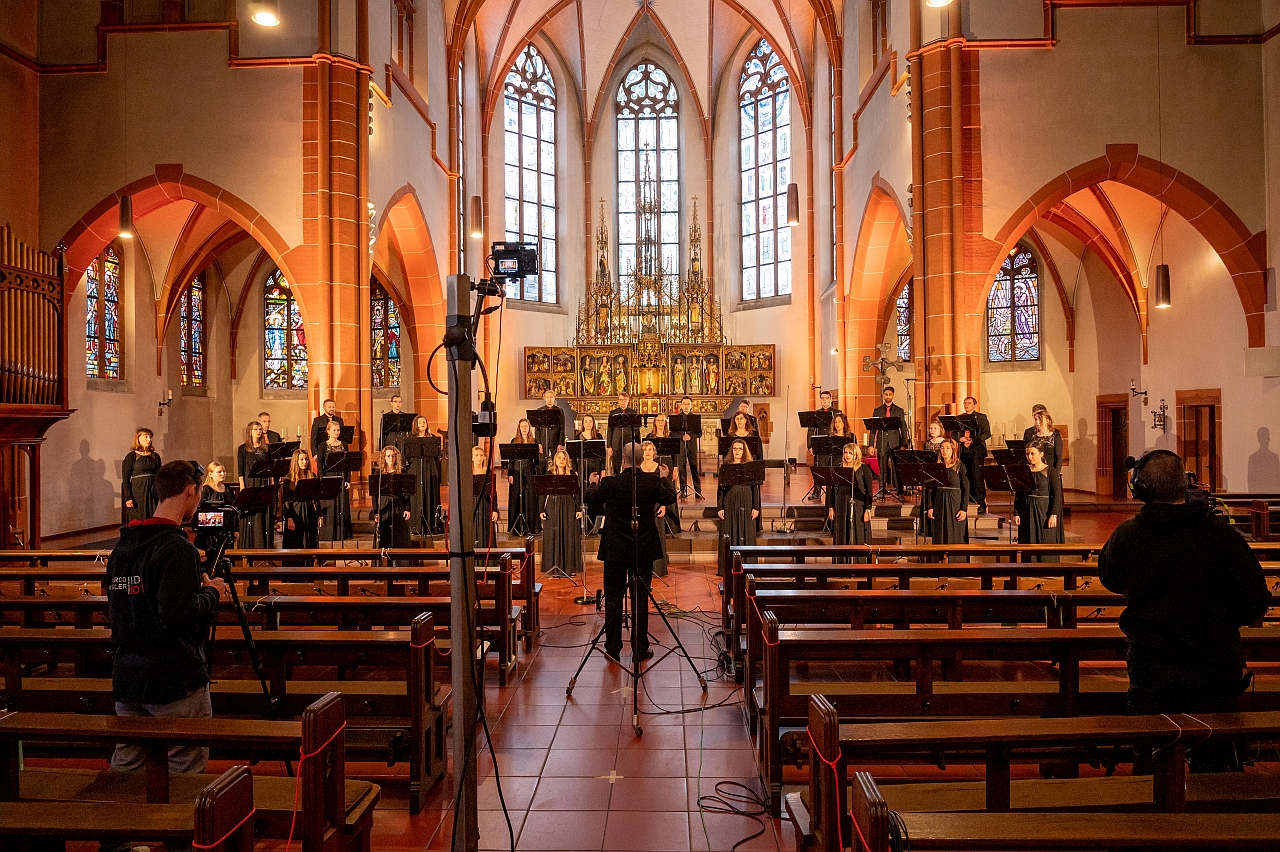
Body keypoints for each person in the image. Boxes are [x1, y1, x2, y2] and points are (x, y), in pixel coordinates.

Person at [1099, 449, 1270, 772]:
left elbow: (1110, 578)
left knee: (1151, 770)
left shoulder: (1128, 535)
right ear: (1185, 486)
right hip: (1214, 672)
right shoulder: (1221, 536)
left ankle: (1152, 819)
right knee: (1217, 771)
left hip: (1152, 672)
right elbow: (1254, 602)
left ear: (1140, 490)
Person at [103, 460, 227, 852]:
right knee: (184, 768)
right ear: (190, 491)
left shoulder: (122, 546)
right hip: (173, 677)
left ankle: (116, 842)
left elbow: (119, 605)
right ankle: (179, 843)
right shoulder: (176, 548)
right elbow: (178, 616)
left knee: (127, 766)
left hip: (128, 673)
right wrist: (212, 593)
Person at [585, 442, 677, 663]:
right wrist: (664, 477)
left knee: (614, 598)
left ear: (623, 460)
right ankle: (639, 648)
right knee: (640, 598)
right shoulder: (652, 482)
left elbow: (590, 499)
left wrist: (592, 483)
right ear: (640, 460)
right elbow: (670, 498)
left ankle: (613, 647)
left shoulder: (610, 483)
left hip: (615, 548)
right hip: (642, 547)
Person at [1013, 439, 1063, 559]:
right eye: (1027, 454)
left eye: (1032, 453)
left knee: (1045, 538)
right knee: (1028, 538)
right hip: (1027, 510)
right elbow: (1019, 494)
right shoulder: (1024, 470)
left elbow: (1057, 494)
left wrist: (1054, 514)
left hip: (1044, 510)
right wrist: (1016, 513)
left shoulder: (1050, 471)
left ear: (1041, 454)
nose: (1029, 457)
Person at [826, 442, 873, 563]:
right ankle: (841, 563)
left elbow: (869, 491)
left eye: (850, 453)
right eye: (845, 453)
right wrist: (831, 507)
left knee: (858, 532)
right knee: (842, 531)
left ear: (856, 454)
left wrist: (868, 509)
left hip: (858, 504)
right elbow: (832, 490)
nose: (847, 456)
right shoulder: (839, 468)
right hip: (841, 503)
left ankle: (859, 563)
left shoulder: (864, 468)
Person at [540, 448, 583, 577]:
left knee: (569, 534)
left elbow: (577, 493)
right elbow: (542, 493)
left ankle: (569, 568)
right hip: (553, 505)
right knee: (553, 534)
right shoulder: (549, 474)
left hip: (569, 505)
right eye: (559, 458)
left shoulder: (572, 474)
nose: (561, 460)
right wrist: (541, 509)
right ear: (555, 460)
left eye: (564, 458)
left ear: (567, 461)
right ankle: (554, 568)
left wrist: (578, 509)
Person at [640, 439, 678, 576]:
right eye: (644, 450)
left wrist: (663, 505)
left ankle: (658, 568)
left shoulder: (660, 468)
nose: (647, 452)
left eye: (650, 449)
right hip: (643, 506)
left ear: (654, 452)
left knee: (658, 535)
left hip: (657, 505)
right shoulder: (638, 468)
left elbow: (665, 489)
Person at [718, 438, 761, 548]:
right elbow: (720, 489)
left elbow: (755, 488)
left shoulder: (751, 466)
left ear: (744, 451)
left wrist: (756, 507)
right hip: (730, 501)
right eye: (735, 448)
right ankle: (729, 563)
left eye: (740, 449)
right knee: (729, 532)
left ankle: (747, 563)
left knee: (746, 532)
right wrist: (720, 507)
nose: (737, 451)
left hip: (746, 500)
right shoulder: (725, 467)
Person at [927, 437, 969, 546]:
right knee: (940, 531)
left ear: (952, 450)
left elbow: (966, 489)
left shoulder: (960, 466)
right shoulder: (936, 466)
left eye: (947, 448)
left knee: (955, 532)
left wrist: (964, 509)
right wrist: (930, 506)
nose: (944, 450)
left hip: (955, 503)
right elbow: (931, 488)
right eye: (942, 448)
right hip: (939, 502)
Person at [236, 421, 272, 548]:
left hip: (263, 483)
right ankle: (250, 544)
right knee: (251, 513)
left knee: (262, 513)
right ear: (250, 431)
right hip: (250, 483)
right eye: (256, 429)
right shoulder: (243, 449)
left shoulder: (266, 448)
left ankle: (263, 544)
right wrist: (242, 486)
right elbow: (240, 469)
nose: (258, 431)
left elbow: (270, 468)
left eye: (260, 429)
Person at [406, 415, 443, 537]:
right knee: (417, 495)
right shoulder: (410, 438)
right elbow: (407, 456)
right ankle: (416, 526)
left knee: (429, 494)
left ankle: (432, 525)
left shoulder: (432, 438)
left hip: (429, 468)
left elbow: (437, 457)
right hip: (415, 468)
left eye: (424, 422)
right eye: (420, 422)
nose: (422, 424)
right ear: (415, 425)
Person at [318, 419, 352, 542]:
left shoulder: (344, 444)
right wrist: (322, 479)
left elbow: (348, 464)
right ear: (328, 431)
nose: (336, 432)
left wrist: (348, 479)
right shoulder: (322, 445)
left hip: (341, 477)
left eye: (338, 430)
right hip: (328, 477)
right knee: (330, 504)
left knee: (342, 504)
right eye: (334, 430)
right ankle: (330, 533)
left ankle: (342, 533)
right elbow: (320, 465)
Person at [281, 448, 321, 549]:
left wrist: (319, 515)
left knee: (310, 539)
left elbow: (317, 497)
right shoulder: (288, 478)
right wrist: (289, 518)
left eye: (306, 459)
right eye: (302, 459)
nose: (305, 462)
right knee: (296, 541)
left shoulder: (311, 476)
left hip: (309, 511)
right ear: (296, 461)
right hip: (296, 512)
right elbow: (286, 500)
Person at [958, 396, 992, 514]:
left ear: (974, 405)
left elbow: (987, 433)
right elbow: (954, 433)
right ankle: (967, 499)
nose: (966, 405)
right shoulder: (960, 418)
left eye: (968, 403)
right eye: (965, 403)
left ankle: (980, 503)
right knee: (965, 476)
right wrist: (960, 438)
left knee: (977, 477)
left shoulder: (981, 417)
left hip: (976, 451)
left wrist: (974, 439)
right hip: (964, 452)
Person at [869, 386, 906, 495]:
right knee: (882, 467)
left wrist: (904, 444)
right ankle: (881, 490)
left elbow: (903, 428)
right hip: (882, 442)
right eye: (886, 394)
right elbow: (872, 429)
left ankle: (899, 491)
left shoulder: (899, 410)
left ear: (893, 395)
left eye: (890, 394)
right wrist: (871, 445)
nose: (888, 396)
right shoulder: (877, 411)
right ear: (883, 395)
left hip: (895, 443)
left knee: (896, 467)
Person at [647, 414, 680, 533]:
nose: (660, 422)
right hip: (654, 464)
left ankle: (672, 525)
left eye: (662, 420)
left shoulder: (671, 436)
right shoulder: (650, 436)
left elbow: (675, 454)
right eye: (658, 420)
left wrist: (675, 468)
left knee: (668, 490)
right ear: (655, 422)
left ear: (666, 422)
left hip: (668, 464)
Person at [375, 445, 413, 549]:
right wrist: (376, 511)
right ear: (384, 458)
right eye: (388, 456)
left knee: (400, 534)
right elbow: (374, 495)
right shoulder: (379, 473)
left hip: (398, 505)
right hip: (385, 505)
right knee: (385, 533)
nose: (391, 458)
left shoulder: (402, 472)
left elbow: (407, 493)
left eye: (393, 456)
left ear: (396, 457)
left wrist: (407, 509)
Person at [122, 428, 162, 524]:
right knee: (138, 518)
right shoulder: (131, 456)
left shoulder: (155, 456)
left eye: (150, 437)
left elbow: (160, 475)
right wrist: (128, 497)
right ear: (138, 438)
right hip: (137, 492)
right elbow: (126, 478)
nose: (149, 439)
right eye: (146, 436)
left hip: (153, 492)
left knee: (153, 518)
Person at [806, 389, 839, 501]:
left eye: (826, 398)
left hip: (833, 444)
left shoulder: (837, 412)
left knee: (833, 468)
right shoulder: (816, 414)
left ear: (830, 399)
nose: (824, 400)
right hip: (820, 445)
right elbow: (811, 431)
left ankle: (835, 491)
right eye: (822, 398)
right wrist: (810, 446)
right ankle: (817, 492)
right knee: (819, 468)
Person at [508, 418, 539, 534]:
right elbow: (511, 460)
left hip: (529, 471)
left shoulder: (534, 441)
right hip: (516, 470)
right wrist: (510, 474)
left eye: (526, 426)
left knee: (529, 497)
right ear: (519, 428)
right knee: (517, 496)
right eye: (522, 426)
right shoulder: (514, 441)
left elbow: (536, 461)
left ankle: (530, 526)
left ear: (529, 428)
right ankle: (516, 526)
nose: (524, 428)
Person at [918, 420, 946, 539]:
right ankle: (926, 528)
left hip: (939, 472)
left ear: (940, 430)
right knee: (927, 496)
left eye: (934, 428)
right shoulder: (927, 443)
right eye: (930, 428)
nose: (932, 430)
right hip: (928, 473)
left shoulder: (945, 443)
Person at [194, 461, 230, 554]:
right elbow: (201, 510)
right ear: (210, 474)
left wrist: (235, 529)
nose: (223, 474)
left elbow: (232, 508)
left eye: (224, 471)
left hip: (225, 530)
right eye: (219, 472)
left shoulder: (228, 489)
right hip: (209, 531)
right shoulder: (206, 489)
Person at [673, 396, 704, 500]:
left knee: (694, 468)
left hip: (692, 446)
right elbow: (673, 433)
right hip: (681, 446)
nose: (686, 406)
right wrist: (681, 437)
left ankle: (698, 491)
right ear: (681, 405)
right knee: (682, 469)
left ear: (691, 406)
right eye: (684, 404)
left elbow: (699, 433)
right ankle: (683, 491)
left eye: (688, 404)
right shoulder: (677, 418)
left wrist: (691, 436)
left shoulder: (695, 418)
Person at [606, 391, 638, 475]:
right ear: (618, 401)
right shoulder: (613, 413)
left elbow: (637, 431)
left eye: (625, 399)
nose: (623, 402)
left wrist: (638, 445)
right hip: (616, 443)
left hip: (629, 441)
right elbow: (609, 430)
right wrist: (609, 446)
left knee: (629, 463)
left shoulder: (633, 413)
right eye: (621, 400)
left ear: (628, 400)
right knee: (616, 464)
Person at [473, 444, 499, 548]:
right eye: (476, 455)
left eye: (481, 455)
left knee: (486, 529)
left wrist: (494, 510)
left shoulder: (488, 472)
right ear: (472, 457)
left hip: (485, 504)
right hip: (472, 505)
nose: (479, 458)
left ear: (484, 457)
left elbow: (493, 492)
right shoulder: (467, 472)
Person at [534, 388, 566, 468]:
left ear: (554, 398)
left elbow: (562, 428)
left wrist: (560, 443)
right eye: (547, 397)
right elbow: (537, 429)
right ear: (544, 398)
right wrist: (538, 443)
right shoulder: (540, 410)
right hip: (543, 439)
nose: (549, 399)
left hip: (555, 440)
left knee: (555, 461)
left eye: (551, 397)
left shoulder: (559, 411)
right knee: (542, 462)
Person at [575, 413, 605, 495]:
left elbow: (602, 455)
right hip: (582, 465)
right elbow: (574, 456)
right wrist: (575, 470)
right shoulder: (577, 437)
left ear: (593, 423)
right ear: (583, 424)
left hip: (595, 465)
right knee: (583, 487)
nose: (588, 424)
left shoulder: (598, 436)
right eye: (586, 422)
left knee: (595, 487)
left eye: (590, 422)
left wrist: (603, 469)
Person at [1025, 407, 1063, 472]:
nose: (1037, 422)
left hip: (1050, 471)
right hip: (1036, 471)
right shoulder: (1033, 437)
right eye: (1036, 419)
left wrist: (1056, 475)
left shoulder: (1055, 437)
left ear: (1047, 421)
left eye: (1040, 419)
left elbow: (1059, 458)